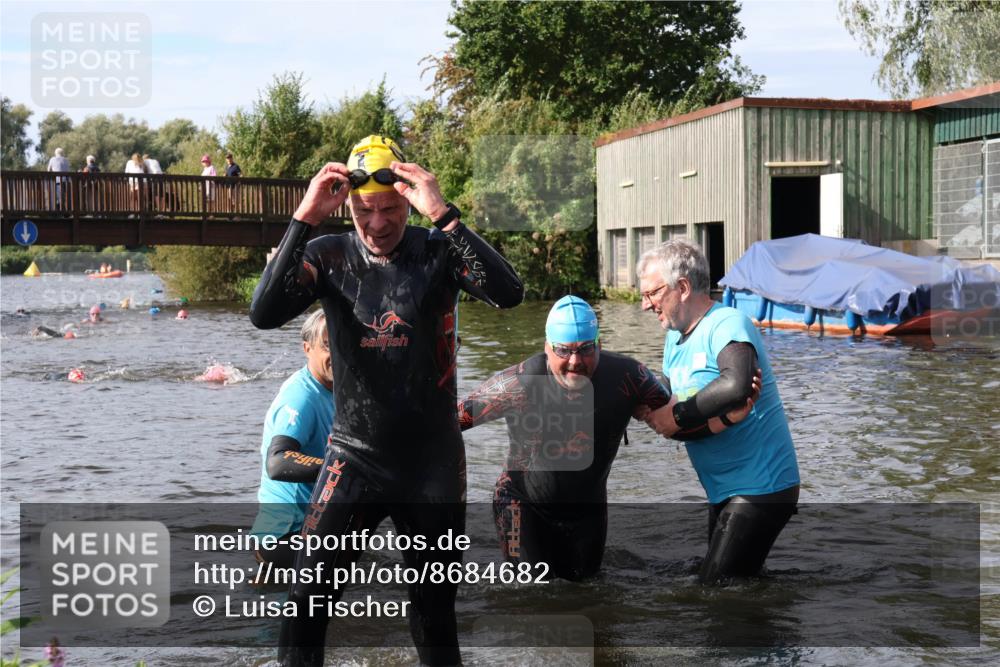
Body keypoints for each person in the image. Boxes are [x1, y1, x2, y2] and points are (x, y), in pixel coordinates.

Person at [249, 134, 524, 666]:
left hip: (431, 465)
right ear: (347, 205)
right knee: (307, 599)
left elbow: (508, 293)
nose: (377, 225)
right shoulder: (328, 255)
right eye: (363, 211)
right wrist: (304, 217)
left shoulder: (437, 251)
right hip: (354, 456)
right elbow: (263, 312)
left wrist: (444, 213)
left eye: (391, 210)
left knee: (433, 610)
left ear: (408, 200)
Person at [458, 296, 755, 581]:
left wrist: (726, 418)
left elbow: (672, 423)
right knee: (533, 596)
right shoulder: (518, 383)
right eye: (564, 350)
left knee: (590, 594)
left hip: (588, 508)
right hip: (521, 504)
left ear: (600, 343)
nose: (575, 361)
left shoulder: (629, 378)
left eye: (586, 348)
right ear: (547, 347)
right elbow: (451, 422)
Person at [637, 239, 800, 584]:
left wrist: (677, 415)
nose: (645, 305)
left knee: (715, 589)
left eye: (651, 293)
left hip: (761, 486)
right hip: (724, 488)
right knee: (736, 582)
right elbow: (670, 410)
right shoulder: (674, 338)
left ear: (681, 287)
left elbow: (736, 385)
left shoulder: (727, 323)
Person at [251, 310, 335, 567]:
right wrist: (344, 471)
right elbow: (277, 462)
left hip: (318, 528)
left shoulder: (341, 389)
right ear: (307, 348)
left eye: (342, 343)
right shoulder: (301, 396)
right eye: (327, 346)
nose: (338, 354)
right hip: (285, 537)